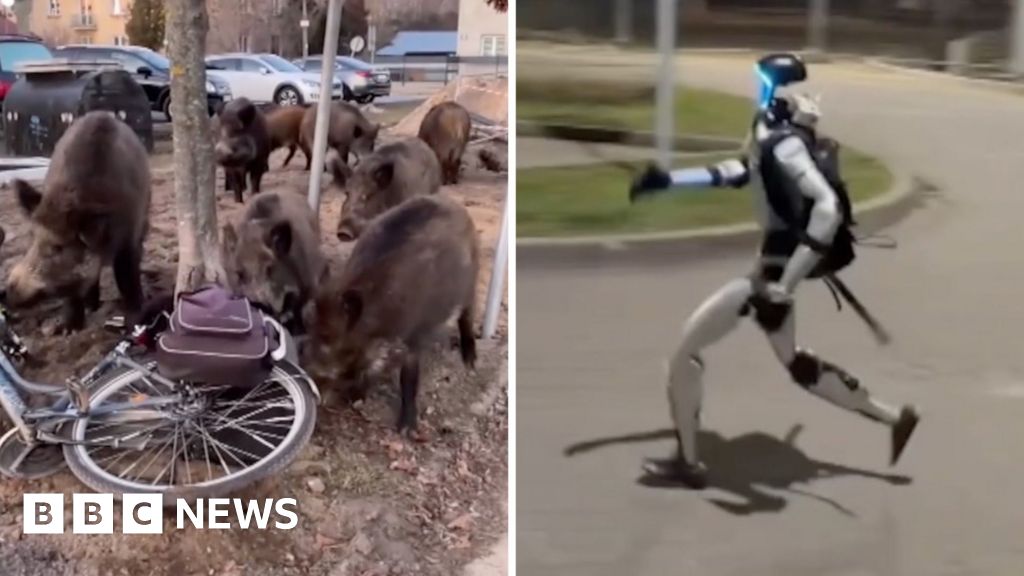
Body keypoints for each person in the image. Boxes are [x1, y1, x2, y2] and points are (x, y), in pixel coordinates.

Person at [629, 53, 919, 489]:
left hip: (769, 278)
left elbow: (827, 209)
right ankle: (895, 417)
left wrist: (783, 287)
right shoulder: (773, 138)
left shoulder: (785, 144)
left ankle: (689, 464)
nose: (759, 89)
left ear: (780, 92)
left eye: (765, 82)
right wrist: (669, 181)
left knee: (684, 354)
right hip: (772, 271)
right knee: (796, 364)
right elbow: (737, 172)